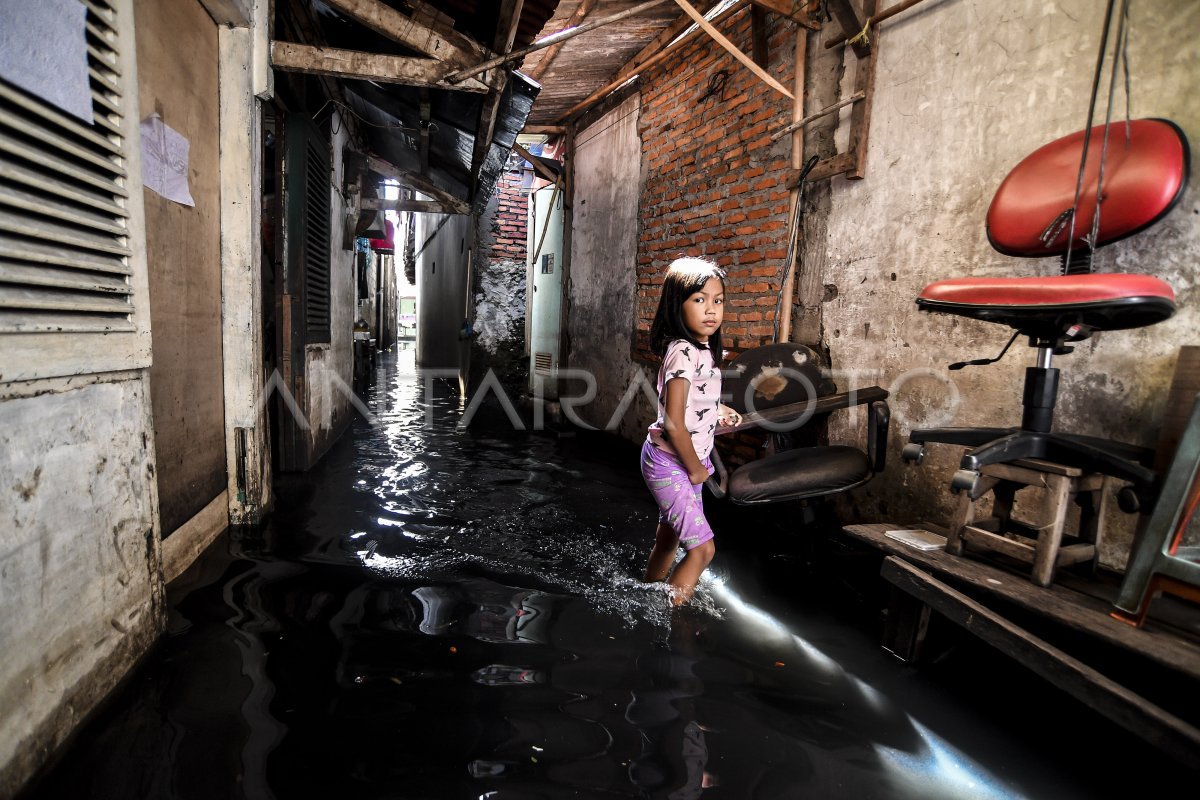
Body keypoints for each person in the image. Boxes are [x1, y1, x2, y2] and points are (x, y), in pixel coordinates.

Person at [641, 257, 741, 606]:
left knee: (669, 540)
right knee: (702, 550)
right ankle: (669, 620)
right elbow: (673, 422)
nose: (711, 309)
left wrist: (720, 411)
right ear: (677, 304)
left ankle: (649, 595)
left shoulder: (703, 349)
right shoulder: (683, 351)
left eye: (718, 300)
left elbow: (694, 401)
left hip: (684, 461)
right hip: (672, 463)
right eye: (699, 300)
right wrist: (697, 470)